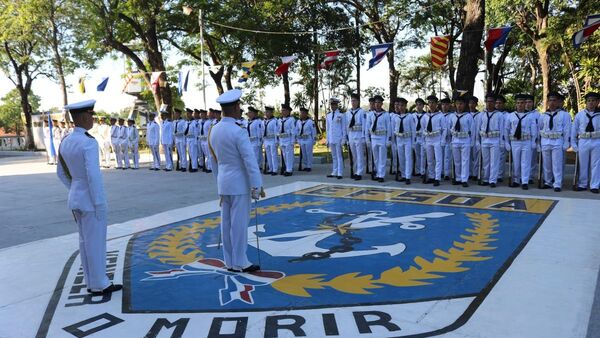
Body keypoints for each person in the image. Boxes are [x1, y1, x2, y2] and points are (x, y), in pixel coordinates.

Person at [56, 99, 122, 295]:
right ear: (84, 117)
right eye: (91, 115)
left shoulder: (66, 141)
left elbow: (61, 173)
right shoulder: (88, 142)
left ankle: (91, 281)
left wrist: (75, 187)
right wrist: (99, 202)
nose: (93, 119)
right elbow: (93, 176)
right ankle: (100, 283)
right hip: (91, 201)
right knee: (96, 242)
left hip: (76, 198)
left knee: (85, 243)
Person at [208, 89, 264, 273]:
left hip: (224, 183)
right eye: (239, 106)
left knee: (226, 224)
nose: (240, 109)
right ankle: (240, 261)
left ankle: (229, 261)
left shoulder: (213, 131)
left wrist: (218, 183)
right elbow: (250, 160)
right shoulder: (238, 131)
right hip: (239, 184)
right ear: (234, 108)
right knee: (239, 224)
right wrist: (256, 185)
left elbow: (213, 162)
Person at [539, 92, 571, 191]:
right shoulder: (543, 115)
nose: (552, 103)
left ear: (558, 102)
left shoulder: (564, 115)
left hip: (557, 140)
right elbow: (539, 128)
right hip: (545, 140)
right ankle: (548, 181)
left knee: (557, 164)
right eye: (550, 100)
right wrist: (539, 143)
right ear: (547, 102)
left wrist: (566, 142)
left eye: (554, 100)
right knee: (547, 164)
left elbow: (567, 129)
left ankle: (557, 183)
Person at [505, 94, 538, 190]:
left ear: (525, 104)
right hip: (515, 141)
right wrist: (507, 142)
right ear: (516, 104)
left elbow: (534, 130)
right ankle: (516, 180)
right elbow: (506, 129)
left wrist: (533, 141)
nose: (520, 105)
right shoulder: (510, 116)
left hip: (526, 141)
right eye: (518, 103)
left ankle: (525, 181)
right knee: (516, 162)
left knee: (526, 162)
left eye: (522, 103)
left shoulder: (530, 116)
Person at [572, 92, 600, 193]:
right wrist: (574, 144)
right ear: (586, 102)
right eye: (589, 101)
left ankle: (594, 185)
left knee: (596, 164)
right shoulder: (580, 115)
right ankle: (582, 184)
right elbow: (574, 130)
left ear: (597, 102)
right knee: (583, 163)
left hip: (597, 141)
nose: (591, 103)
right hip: (583, 140)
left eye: (593, 101)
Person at [448, 95, 475, 187]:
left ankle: (464, 179)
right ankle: (458, 178)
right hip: (455, 140)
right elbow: (449, 128)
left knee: (465, 160)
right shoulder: (452, 116)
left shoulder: (468, 116)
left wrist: (472, 142)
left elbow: (473, 130)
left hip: (465, 140)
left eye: (461, 104)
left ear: (464, 105)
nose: (459, 106)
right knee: (457, 161)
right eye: (457, 104)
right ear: (455, 105)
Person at [478, 93, 504, 187]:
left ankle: (493, 180)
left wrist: (501, 142)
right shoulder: (481, 114)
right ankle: (486, 179)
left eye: (491, 102)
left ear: (494, 103)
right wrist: (478, 141)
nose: (489, 103)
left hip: (495, 140)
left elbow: (502, 129)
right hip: (484, 139)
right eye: (487, 101)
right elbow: (478, 128)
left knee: (494, 161)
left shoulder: (499, 115)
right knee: (486, 161)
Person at [366, 95, 392, 182]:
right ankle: (377, 173)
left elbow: (389, 128)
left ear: (382, 104)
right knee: (376, 158)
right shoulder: (370, 114)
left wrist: (388, 139)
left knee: (382, 157)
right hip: (374, 137)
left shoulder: (386, 115)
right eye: (376, 102)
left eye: (379, 102)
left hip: (382, 137)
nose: (377, 104)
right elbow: (367, 128)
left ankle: (381, 175)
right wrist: (367, 139)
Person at [422, 95, 446, 186]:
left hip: (437, 139)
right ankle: (431, 176)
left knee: (438, 159)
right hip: (428, 139)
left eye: (433, 103)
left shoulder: (440, 116)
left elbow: (444, 129)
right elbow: (423, 129)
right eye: (429, 103)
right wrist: (424, 141)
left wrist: (442, 140)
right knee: (430, 160)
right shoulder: (425, 116)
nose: (431, 104)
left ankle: (437, 178)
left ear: (436, 104)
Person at [391, 97, 416, 184]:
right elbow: (393, 130)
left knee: (408, 158)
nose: (400, 107)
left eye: (402, 105)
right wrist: (393, 142)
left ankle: (408, 177)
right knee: (401, 158)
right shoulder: (395, 117)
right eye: (399, 105)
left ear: (405, 106)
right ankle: (404, 175)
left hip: (407, 139)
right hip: (399, 139)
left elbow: (413, 130)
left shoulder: (409, 117)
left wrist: (413, 143)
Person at [346, 93, 367, 180]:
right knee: (354, 155)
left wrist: (363, 137)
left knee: (359, 154)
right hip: (351, 134)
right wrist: (347, 137)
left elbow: (364, 125)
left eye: (355, 101)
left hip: (359, 134)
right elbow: (346, 125)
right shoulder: (348, 113)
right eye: (352, 101)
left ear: (358, 102)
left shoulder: (362, 112)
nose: (353, 102)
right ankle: (355, 171)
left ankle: (359, 172)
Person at [326, 98, 346, 179]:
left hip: (338, 138)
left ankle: (340, 173)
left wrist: (343, 138)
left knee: (339, 156)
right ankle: (334, 171)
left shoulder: (341, 115)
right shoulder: (328, 115)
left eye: (334, 104)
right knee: (333, 156)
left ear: (337, 105)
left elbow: (343, 127)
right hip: (331, 138)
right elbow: (328, 128)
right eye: (331, 104)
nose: (333, 106)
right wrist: (327, 139)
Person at [296, 107, 316, 172]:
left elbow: (314, 131)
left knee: (308, 153)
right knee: (304, 154)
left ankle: (309, 166)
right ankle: (306, 165)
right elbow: (297, 130)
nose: (301, 114)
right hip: (301, 139)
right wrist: (297, 139)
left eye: (302, 113)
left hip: (308, 139)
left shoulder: (310, 122)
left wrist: (314, 140)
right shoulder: (298, 122)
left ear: (306, 114)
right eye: (300, 113)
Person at [278, 104, 296, 176]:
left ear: (288, 112)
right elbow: (278, 130)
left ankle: (289, 170)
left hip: (288, 139)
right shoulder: (279, 120)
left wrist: (292, 141)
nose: (283, 112)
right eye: (282, 110)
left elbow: (293, 131)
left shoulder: (291, 120)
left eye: (284, 111)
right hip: (282, 139)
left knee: (289, 155)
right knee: (284, 155)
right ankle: (287, 168)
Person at [495, 95, 509, 182]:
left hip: (503, 139)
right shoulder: (493, 114)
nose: (498, 105)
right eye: (496, 103)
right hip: (494, 138)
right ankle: (492, 174)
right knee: (493, 158)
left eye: (500, 103)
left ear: (504, 104)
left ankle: (499, 175)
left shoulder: (507, 115)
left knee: (501, 158)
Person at [263, 106, 280, 175]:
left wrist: (276, 141)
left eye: (268, 112)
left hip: (272, 140)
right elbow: (262, 131)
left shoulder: (274, 121)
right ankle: (270, 168)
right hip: (266, 140)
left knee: (273, 155)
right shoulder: (264, 121)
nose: (266, 113)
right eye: (266, 112)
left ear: (271, 113)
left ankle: (275, 169)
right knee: (268, 155)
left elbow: (276, 132)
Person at [469, 96, 482, 181]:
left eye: (473, 103)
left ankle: (475, 173)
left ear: (476, 104)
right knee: (468, 157)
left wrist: (478, 140)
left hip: (477, 139)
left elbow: (480, 127)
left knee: (476, 157)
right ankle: (469, 173)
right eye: (470, 103)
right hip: (466, 139)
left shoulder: (480, 115)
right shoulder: (466, 115)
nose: (471, 105)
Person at [413, 98, 427, 177]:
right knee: (417, 154)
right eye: (417, 105)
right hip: (416, 137)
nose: (418, 106)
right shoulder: (412, 115)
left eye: (420, 105)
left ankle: (422, 171)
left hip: (423, 137)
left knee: (423, 155)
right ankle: (417, 170)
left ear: (423, 106)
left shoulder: (426, 115)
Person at [440, 98, 453, 180]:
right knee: (439, 156)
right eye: (443, 104)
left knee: (447, 157)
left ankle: (447, 173)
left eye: (446, 104)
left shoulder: (452, 115)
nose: (444, 106)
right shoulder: (439, 115)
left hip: (448, 139)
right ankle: (440, 172)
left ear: (449, 106)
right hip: (439, 138)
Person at [184, 108, 199, 172]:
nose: (187, 115)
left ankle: (194, 167)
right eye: (186, 113)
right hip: (188, 139)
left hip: (193, 140)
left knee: (194, 154)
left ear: (191, 114)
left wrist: (195, 141)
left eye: (188, 113)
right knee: (190, 153)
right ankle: (192, 166)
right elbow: (185, 131)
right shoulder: (187, 122)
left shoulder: (194, 122)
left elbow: (196, 133)